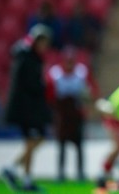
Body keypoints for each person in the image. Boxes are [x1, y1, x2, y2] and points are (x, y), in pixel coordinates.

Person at [2, 24, 52, 191]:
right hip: (26, 109)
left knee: (34, 141)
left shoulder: (28, 57)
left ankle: (14, 171)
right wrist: (43, 86)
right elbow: (28, 85)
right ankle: (23, 177)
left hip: (29, 108)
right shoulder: (26, 58)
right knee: (33, 140)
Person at [46, 46, 99, 182]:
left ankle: (80, 172)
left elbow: (91, 90)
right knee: (61, 144)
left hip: (76, 114)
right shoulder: (55, 74)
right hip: (62, 115)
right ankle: (61, 172)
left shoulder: (82, 73)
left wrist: (87, 99)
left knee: (79, 145)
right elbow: (49, 94)